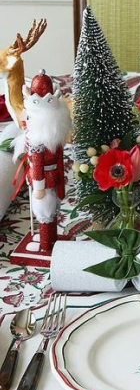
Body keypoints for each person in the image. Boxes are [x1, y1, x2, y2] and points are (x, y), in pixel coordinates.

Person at [21, 71, 70, 253]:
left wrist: (38, 186)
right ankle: (51, 239)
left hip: (42, 182)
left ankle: (44, 245)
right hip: (54, 178)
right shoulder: (54, 135)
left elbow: (37, 165)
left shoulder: (37, 142)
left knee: (43, 214)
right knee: (51, 212)